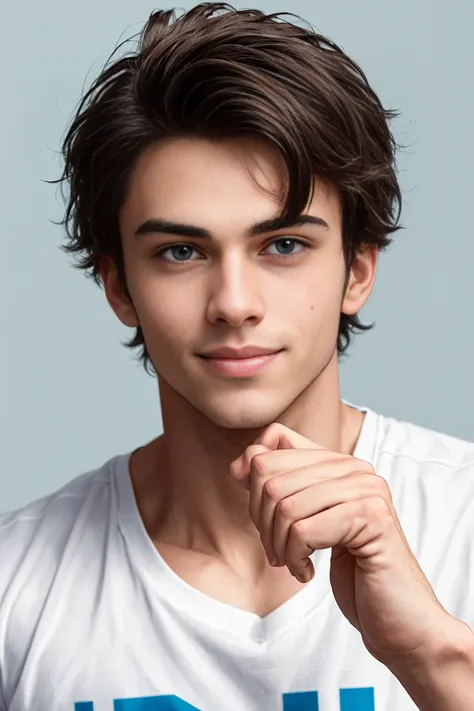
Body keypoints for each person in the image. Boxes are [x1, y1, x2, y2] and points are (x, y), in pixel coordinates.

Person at [1, 3, 473, 710]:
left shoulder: (464, 521)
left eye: (283, 244)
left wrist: (430, 653)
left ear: (357, 271)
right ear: (119, 287)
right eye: (180, 252)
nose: (234, 302)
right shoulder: (17, 587)